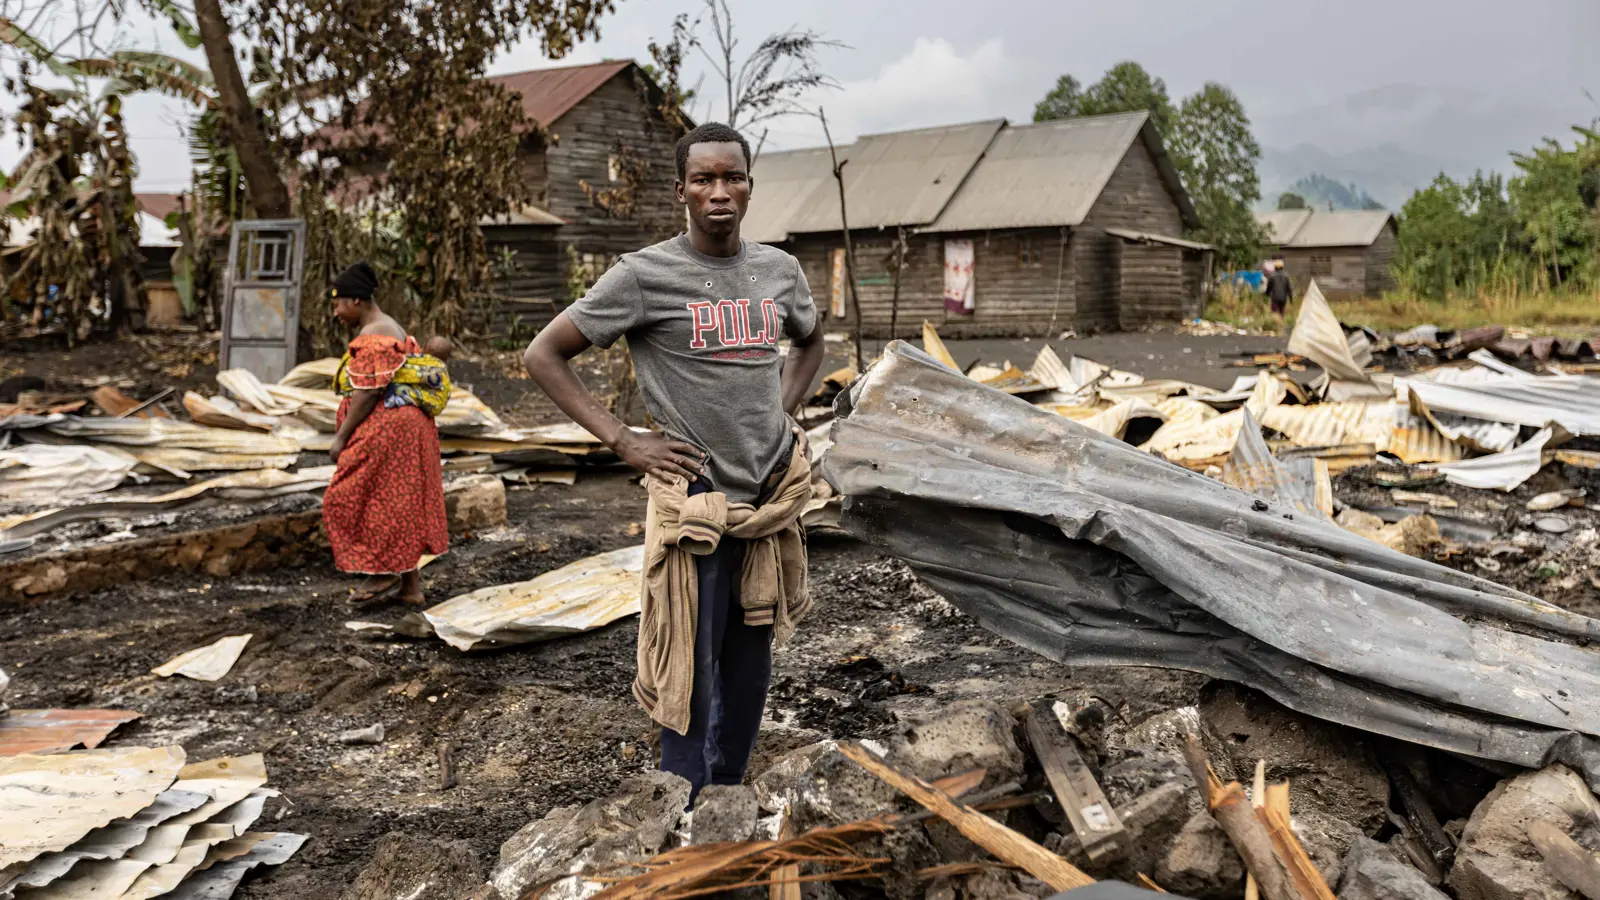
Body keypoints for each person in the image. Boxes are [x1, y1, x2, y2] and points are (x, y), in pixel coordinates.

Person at [522, 122, 826, 804]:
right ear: (680, 191)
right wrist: (627, 442)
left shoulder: (779, 271)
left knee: (749, 668)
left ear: (750, 185)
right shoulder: (643, 276)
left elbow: (811, 343)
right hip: (697, 501)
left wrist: (783, 411)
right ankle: (682, 813)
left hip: (766, 499)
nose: (720, 192)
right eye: (704, 179)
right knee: (690, 669)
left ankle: (729, 798)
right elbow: (543, 355)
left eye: (733, 177)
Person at [322, 262, 451, 605]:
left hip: (390, 429)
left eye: (339, 304)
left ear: (357, 301)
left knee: (351, 496)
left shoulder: (374, 335)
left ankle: (380, 572)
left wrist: (341, 438)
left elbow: (368, 392)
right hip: (408, 427)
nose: (336, 313)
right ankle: (411, 590)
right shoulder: (390, 326)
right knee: (400, 501)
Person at [1265, 259, 1293, 323]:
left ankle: (1275, 324)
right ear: (1282, 267)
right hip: (1283, 298)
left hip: (1275, 298)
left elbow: (1269, 287)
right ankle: (1281, 324)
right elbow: (1289, 288)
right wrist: (1291, 299)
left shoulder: (1272, 276)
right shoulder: (1286, 276)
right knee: (1281, 312)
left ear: (1275, 267)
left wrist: (1266, 295)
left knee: (1274, 312)